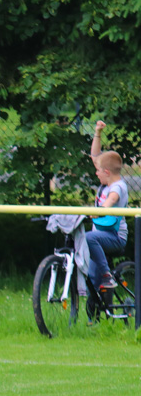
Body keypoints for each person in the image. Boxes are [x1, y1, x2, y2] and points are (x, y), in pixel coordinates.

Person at [86, 120, 129, 291]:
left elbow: (111, 200)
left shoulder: (118, 187)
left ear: (107, 172)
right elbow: (96, 157)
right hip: (100, 236)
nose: (96, 173)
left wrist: (100, 211)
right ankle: (94, 317)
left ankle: (107, 275)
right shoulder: (106, 180)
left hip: (115, 237)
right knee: (91, 277)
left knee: (89, 238)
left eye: (98, 171)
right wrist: (97, 132)